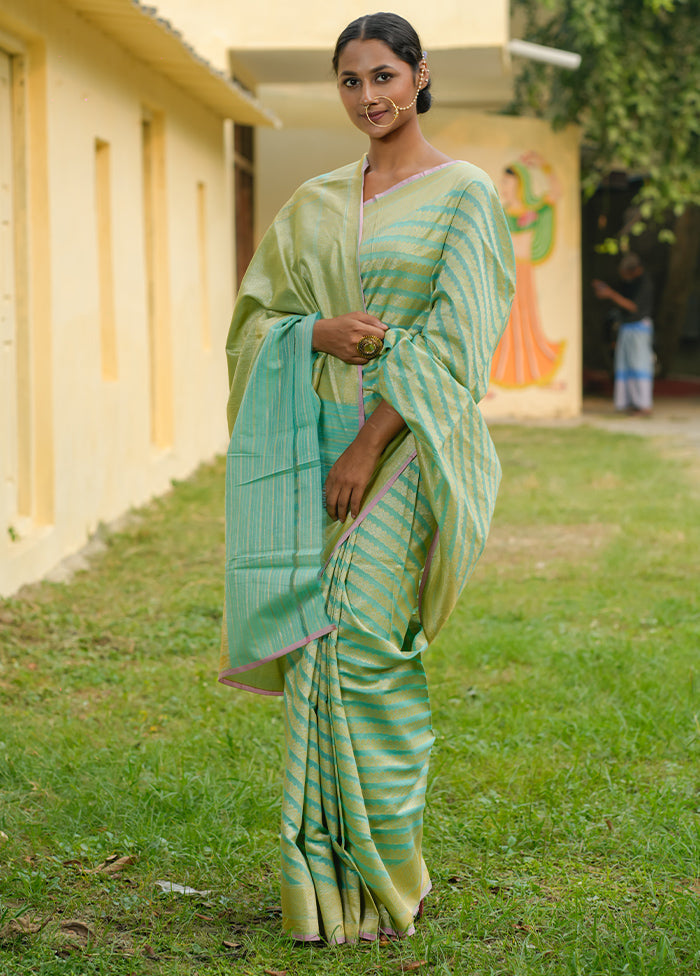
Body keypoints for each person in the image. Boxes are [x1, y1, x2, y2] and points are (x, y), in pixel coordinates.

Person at [220, 12, 515, 944]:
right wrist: (313, 333)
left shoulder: (464, 194)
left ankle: (391, 869)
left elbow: (457, 341)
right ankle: (333, 884)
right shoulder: (314, 201)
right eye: (350, 82)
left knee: (359, 632)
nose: (368, 97)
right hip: (319, 439)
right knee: (323, 639)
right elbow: (256, 317)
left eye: (383, 76)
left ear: (420, 75)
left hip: (411, 446)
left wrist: (371, 439)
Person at [490, 152, 564, 388]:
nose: (503, 186)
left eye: (506, 181)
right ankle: (495, 374)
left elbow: (555, 194)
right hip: (505, 275)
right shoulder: (499, 212)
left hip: (523, 274)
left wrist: (545, 167)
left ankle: (530, 370)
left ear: (519, 183)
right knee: (502, 322)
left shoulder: (531, 213)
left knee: (525, 320)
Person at [592, 252, 654, 414]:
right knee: (625, 367)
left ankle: (643, 404)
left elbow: (634, 307)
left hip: (639, 328)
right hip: (627, 328)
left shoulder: (644, 284)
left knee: (639, 366)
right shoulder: (629, 283)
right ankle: (628, 403)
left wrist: (611, 294)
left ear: (635, 269)